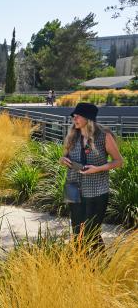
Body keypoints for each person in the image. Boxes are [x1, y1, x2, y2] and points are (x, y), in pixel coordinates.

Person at [59, 103, 123, 251]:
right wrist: (63, 160)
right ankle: (80, 264)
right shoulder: (72, 135)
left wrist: (97, 169)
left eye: (77, 116)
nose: (74, 119)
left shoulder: (103, 136)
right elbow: (64, 157)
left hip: (96, 190)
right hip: (72, 188)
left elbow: (119, 161)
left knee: (91, 232)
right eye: (73, 116)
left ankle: (99, 265)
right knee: (77, 231)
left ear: (88, 118)